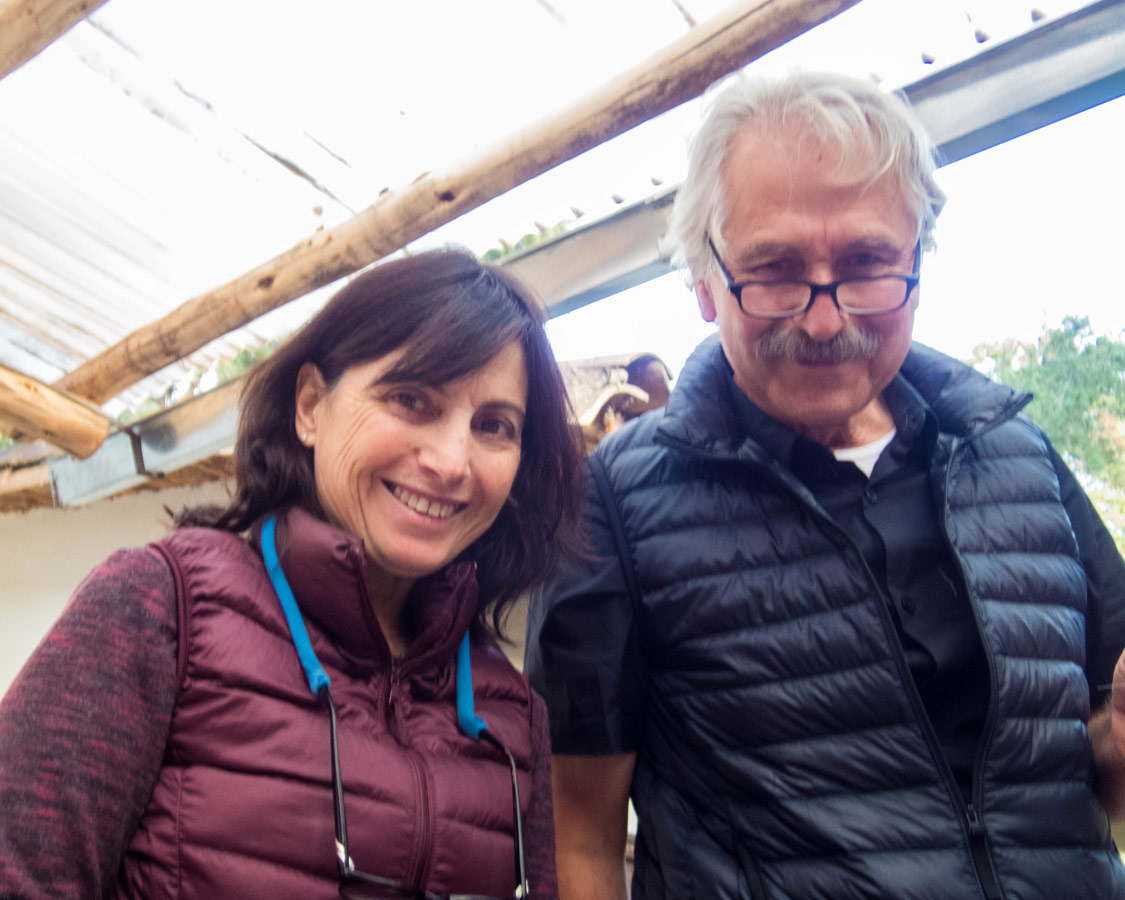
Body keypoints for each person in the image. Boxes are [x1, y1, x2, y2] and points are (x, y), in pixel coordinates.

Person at [525, 70, 1125, 900]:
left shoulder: (1018, 460)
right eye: (773, 270)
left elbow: (1091, 756)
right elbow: (577, 833)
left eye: (867, 262)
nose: (824, 316)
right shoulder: (617, 504)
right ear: (704, 282)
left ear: (917, 261)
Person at [0, 248, 584, 899]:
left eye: (493, 426)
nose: (452, 461)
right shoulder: (161, 607)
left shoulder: (512, 717)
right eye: (411, 399)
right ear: (310, 406)